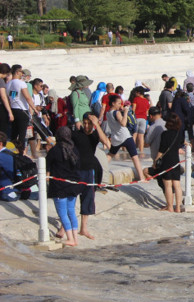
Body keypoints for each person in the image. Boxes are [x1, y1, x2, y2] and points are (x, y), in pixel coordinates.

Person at [68, 113, 110, 241]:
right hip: (76, 171)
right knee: (71, 198)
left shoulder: (95, 135)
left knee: (88, 199)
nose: (86, 126)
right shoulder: (76, 134)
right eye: (85, 123)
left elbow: (107, 143)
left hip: (90, 170)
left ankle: (83, 228)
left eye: (89, 123)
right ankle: (64, 227)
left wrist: (96, 124)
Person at [46, 127, 81, 247]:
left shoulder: (55, 150)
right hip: (73, 186)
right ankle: (75, 238)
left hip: (59, 187)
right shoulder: (75, 149)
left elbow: (47, 165)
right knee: (71, 211)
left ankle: (70, 238)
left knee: (63, 213)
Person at [148, 113, 186, 212]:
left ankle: (170, 207)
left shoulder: (165, 134)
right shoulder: (179, 134)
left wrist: (155, 161)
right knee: (177, 185)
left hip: (166, 162)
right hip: (176, 161)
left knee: (168, 185)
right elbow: (181, 143)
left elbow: (161, 150)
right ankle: (177, 207)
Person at [105, 95, 145, 181]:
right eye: (119, 103)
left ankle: (101, 168)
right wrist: (126, 112)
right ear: (113, 103)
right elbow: (123, 123)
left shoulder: (108, 113)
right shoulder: (117, 113)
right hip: (125, 136)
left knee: (110, 155)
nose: (120, 105)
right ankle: (141, 177)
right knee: (135, 157)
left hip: (116, 138)